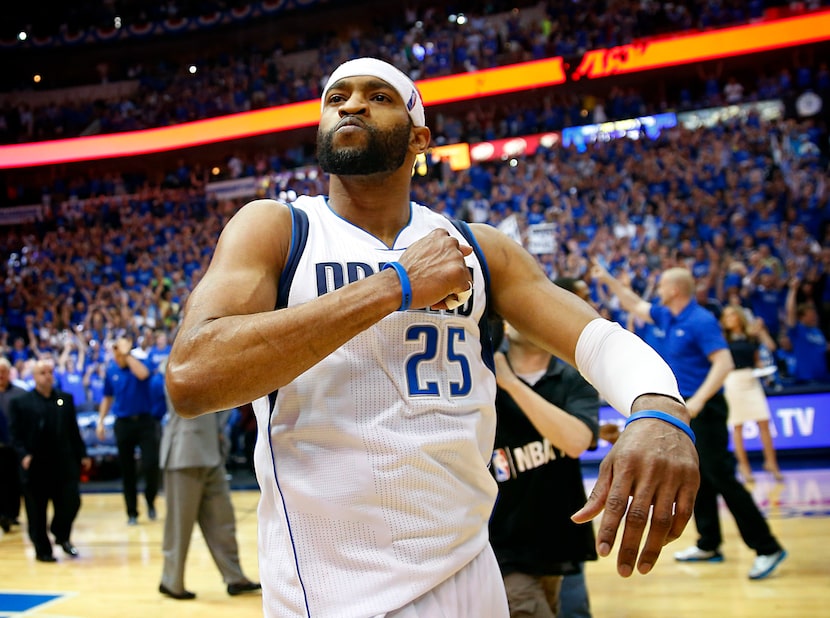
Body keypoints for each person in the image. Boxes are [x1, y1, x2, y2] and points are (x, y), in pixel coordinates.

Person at [166, 57, 699, 617]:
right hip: (332, 590)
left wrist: (660, 409)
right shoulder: (278, 229)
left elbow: (599, 340)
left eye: (378, 96)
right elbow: (191, 377)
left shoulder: (477, 247)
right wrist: (395, 286)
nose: (351, 104)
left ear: (419, 137)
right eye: (336, 97)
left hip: (471, 573)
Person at [590, 262, 787, 581]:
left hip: (704, 411)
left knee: (721, 477)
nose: (658, 287)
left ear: (675, 289)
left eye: (662, 283)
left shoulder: (701, 320)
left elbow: (723, 363)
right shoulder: (668, 315)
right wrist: (609, 280)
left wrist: (698, 401)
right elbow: (633, 303)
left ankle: (767, 547)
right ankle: (709, 543)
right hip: (683, 410)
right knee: (698, 479)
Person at [489, 319, 599, 618]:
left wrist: (511, 383)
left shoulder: (573, 378)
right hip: (498, 539)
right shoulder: (480, 378)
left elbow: (577, 441)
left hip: (556, 536)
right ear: (505, 327)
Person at [158, 362, 261, 600]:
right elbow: (186, 397)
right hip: (183, 454)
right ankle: (171, 581)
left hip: (212, 453)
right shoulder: (174, 363)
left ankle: (235, 577)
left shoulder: (215, 362)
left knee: (223, 520)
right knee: (179, 525)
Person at [8, 359, 91, 562]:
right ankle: (42, 549)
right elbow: (15, 435)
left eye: (50, 371)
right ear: (34, 377)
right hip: (36, 464)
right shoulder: (21, 402)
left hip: (63, 462)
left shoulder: (64, 399)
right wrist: (23, 454)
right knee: (37, 510)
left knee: (72, 501)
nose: (47, 375)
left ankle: (61, 535)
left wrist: (83, 454)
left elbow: (73, 430)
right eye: (42, 372)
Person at [95, 337, 159, 525]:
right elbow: (107, 398)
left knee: (150, 464)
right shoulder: (111, 370)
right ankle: (132, 512)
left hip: (145, 421)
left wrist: (127, 354)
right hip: (123, 424)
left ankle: (150, 500)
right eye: (116, 349)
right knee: (127, 470)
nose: (119, 352)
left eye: (122, 348)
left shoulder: (140, 362)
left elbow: (143, 374)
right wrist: (100, 421)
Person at [719, 305, 783, 483]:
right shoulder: (722, 339)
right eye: (726, 316)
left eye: (732, 314)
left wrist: (761, 331)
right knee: (737, 426)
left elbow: (769, 348)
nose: (729, 318)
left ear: (739, 316)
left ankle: (772, 463)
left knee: (764, 422)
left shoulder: (750, 336)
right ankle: (744, 467)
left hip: (752, 380)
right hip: (732, 380)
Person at [0, 357, 26, 532]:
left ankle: (12, 514)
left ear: (9, 373)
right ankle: (3, 515)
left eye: (3, 371)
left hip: (14, 445)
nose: (1, 375)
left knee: (14, 482)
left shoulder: (20, 394)